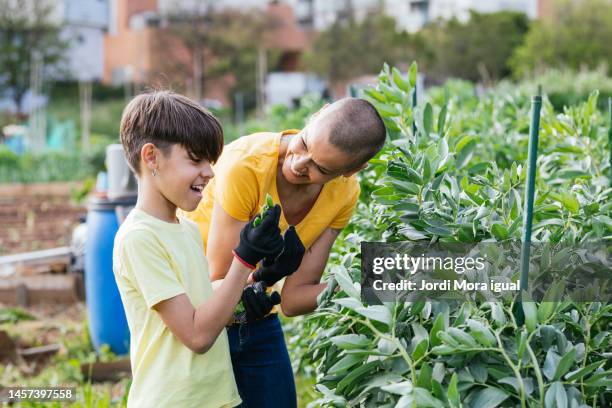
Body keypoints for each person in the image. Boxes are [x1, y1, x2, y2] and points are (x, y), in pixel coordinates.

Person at [184, 97, 387, 407]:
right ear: (316, 114)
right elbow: (218, 280)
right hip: (197, 318)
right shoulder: (247, 166)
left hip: (257, 317)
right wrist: (261, 275)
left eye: (320, 167)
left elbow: (294, 299)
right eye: (304, 143)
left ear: (353, 170)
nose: (298, 164)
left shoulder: (345, 194)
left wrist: (383, 283)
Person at [112, 90, 286, 407]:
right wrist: (243, 259)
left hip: (216, 397)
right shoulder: (138, 238)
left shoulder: (187, 230)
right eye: (195, 159)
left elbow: (201, 307)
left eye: (210, 160)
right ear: (151, 157)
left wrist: (256, 282)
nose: (209, 171)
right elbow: (196, 335)